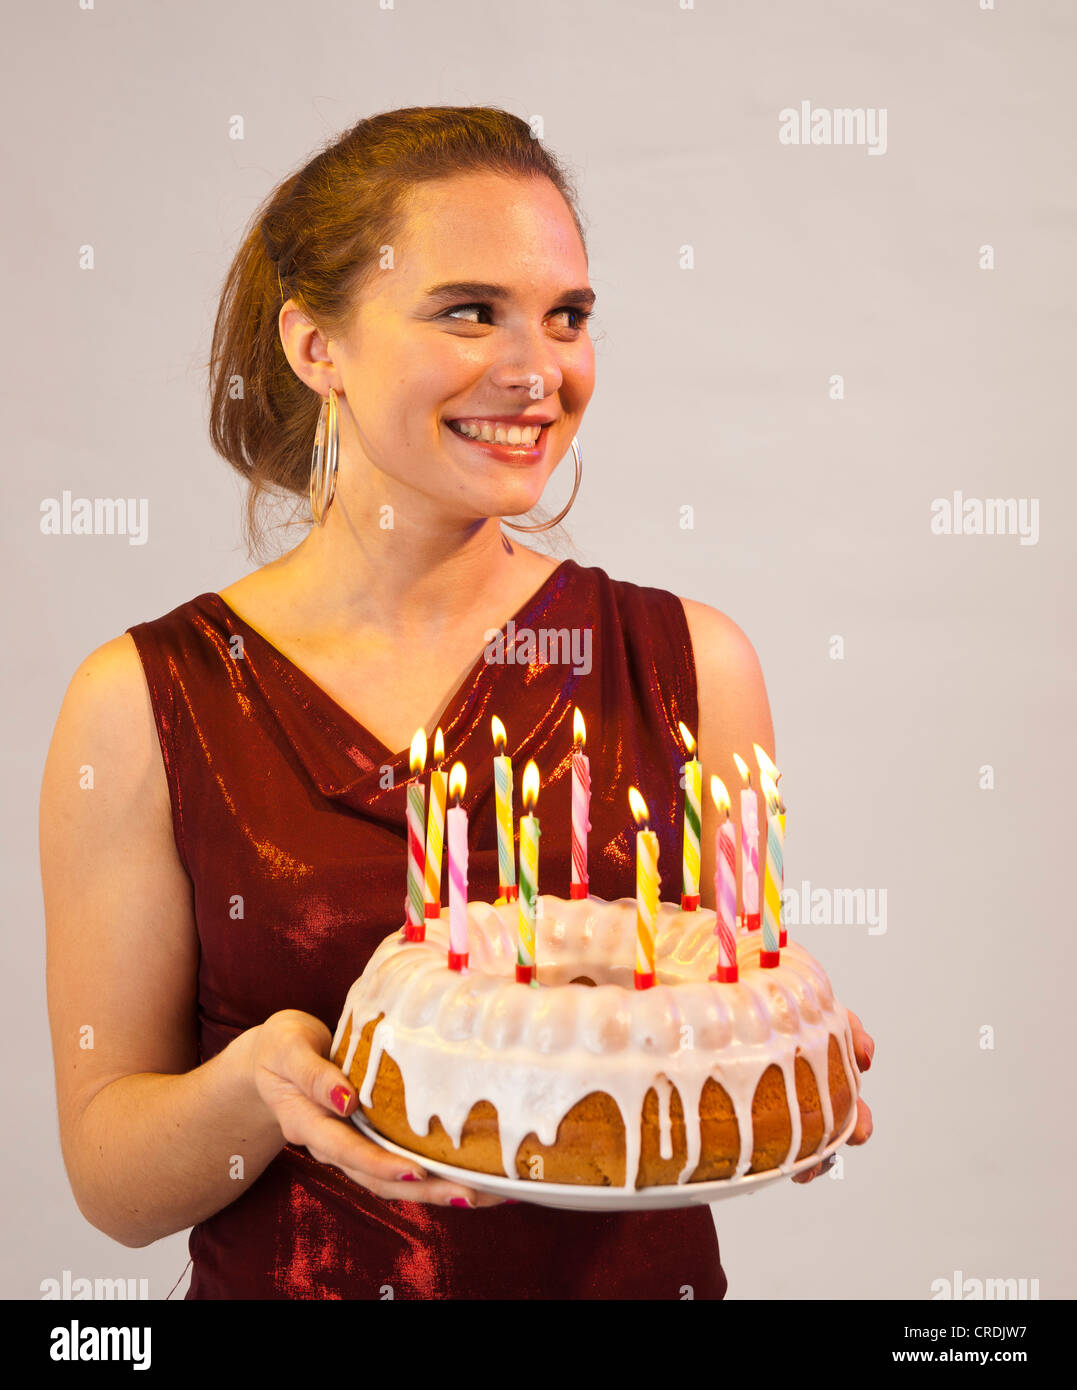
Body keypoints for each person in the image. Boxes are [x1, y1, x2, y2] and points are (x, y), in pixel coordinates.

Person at [40, 106, 874, 1300]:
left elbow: (715, 1019)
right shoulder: (145, 701)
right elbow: (111, 1183)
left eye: (568, 316)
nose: (540, 371)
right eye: (469, 311)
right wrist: (258, 1089)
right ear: (316, 343)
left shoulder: (691, 665)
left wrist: (778, 1083)